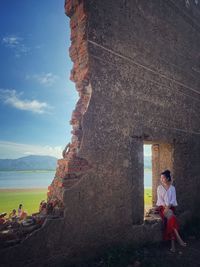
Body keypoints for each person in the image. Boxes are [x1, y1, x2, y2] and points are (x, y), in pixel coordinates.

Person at [156, 170, 186, 252]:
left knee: (171, 218)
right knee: (172, 217)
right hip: (162, 208)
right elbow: (160, 201)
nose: (161, 179)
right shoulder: (159, 188)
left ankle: (173, 245)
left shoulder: (172, 188)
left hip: (170, 208)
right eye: (161, 178)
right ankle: (178, 239)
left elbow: (173, 200)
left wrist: (168, 207)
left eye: (163, 178)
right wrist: (165, 207)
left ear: (168, 178)